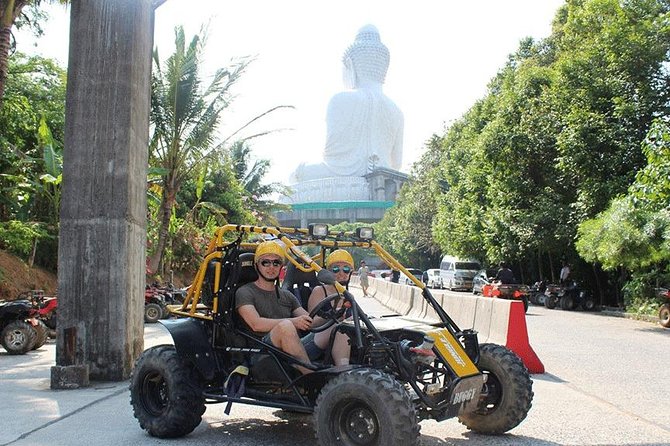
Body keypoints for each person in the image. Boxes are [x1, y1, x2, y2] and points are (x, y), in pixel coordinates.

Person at [236, 241, 314, 374]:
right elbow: (256, 324)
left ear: (281, 267)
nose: (271, 267)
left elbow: (309, 321)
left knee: (337, 328)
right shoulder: (245, 292)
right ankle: (312, 379)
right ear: (256, 266)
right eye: (265, 262)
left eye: (276, 263)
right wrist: (293, 322)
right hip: (262, 353)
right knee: (285, 326)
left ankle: (345, 370)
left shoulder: (287, 295)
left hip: (291, 347)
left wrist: (334, 315)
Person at [304, 249, 354, 366]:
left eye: (346, 269)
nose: (341, 273)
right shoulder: (319, 291)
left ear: (350, 272)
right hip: (313, 342)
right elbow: (310, 324)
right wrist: (331, 316)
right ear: (328, 272)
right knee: (340, 328)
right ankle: (344, 371)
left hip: (339, 342)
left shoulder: (348, 295)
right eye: (336, 269)